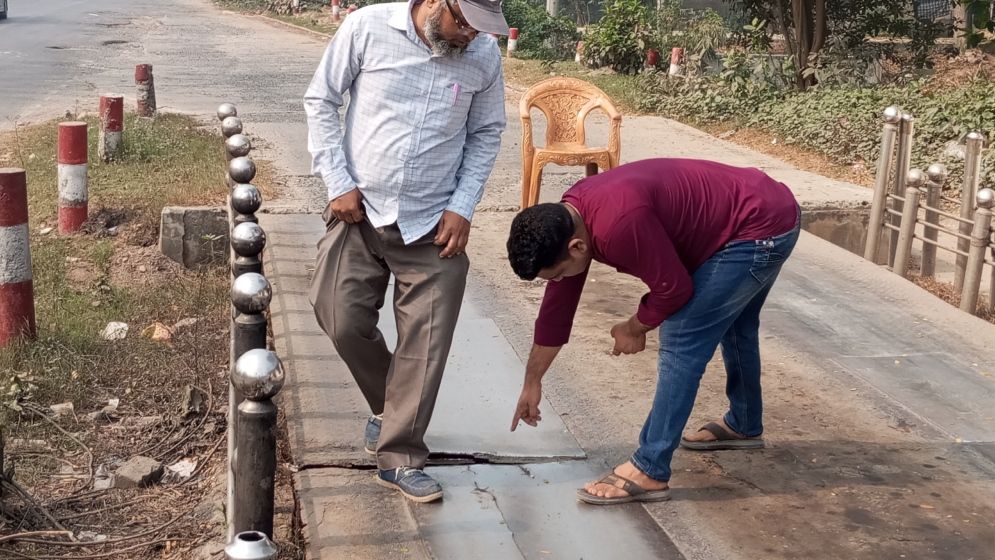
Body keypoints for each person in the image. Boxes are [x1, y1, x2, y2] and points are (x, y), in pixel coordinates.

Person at [303, 0, 508, 503]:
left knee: (426, 345)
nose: (470, 38)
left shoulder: (483, 56)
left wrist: (463, 207)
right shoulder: (367, 26)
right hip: (359, 210)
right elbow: (321, 99)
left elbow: (486, 133)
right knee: (338, 314)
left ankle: (400, 456)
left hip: (434, 225)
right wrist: (336, 181)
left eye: (480, 30)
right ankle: (391, 406)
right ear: (439, 5)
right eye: (465, 25)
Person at [506, 158, 800, 505]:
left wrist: (634, 326)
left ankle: (649, 468)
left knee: (682, 337)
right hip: (761, 209)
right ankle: (744, 423)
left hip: (759, 228)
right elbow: (558, 308)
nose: (557, 283)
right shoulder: (570, 219)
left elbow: (673, 290)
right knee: (736, 325)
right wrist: (532, 381)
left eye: (555, 274)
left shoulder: (617, 225)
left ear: (576, 248)